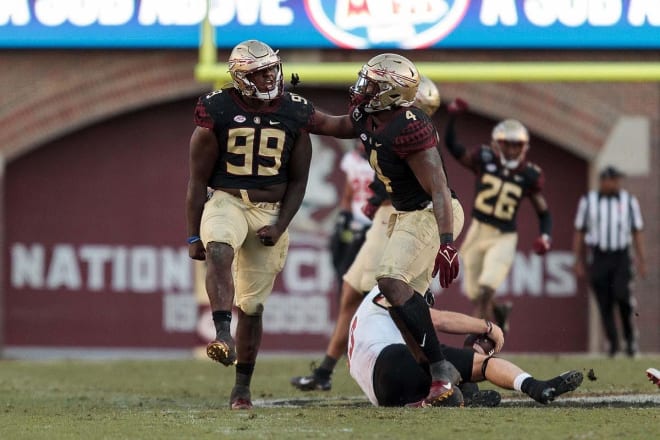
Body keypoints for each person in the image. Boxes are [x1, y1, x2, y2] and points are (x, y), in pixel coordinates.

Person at [305, 55, 465, 406]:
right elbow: (335, 125)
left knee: (390, 281)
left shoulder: (410, 126)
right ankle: (446, 381)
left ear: (392, 93)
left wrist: (447, 242)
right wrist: (293, 109)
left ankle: (440, 371)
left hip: (428, 212)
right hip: (405, 214)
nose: (364, 88)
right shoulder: (369, 116)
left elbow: (438, 188)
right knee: (398, 304)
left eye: (374, 84)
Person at [185, 40, 315, 410]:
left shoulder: (294, 111)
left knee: (254, 306)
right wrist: (194, 233)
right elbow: (197, 180)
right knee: (220, 247)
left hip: (271, 209)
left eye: (272, 69)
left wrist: (280, 224)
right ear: (242, 77)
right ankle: (223, 333)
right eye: (260, 73)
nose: (270, 77)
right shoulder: (217, 109)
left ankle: (242, 386)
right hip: (227, 199)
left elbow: (300, 180)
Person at [348, 287, 584, 407]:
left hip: (383, 393)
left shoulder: (376, 298)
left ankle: (463, 398)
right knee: (479, 365)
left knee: (447, 374)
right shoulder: (394, 284)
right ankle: (536, 386)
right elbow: (438, 320)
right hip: (389, 359)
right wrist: (488, 327)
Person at [444, 98, 552, 333]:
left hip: (504, 236)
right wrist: (452, 117)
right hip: (478, 230)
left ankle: (477, 341)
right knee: (475, 293)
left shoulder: (528, 175)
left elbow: (543, 211)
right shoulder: (485, 160)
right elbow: (454, 148)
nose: (512, 150)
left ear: (523, 147)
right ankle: (499, 311)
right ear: (497, 143)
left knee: (485, 289)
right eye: (507, 144)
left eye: (516, 145)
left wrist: (545, 236)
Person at [573, 166, 646, 357]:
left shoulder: (629, 201)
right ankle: (613, 343)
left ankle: (630, 339)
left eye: (617, 180)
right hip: (599, 255)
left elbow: (637, 231)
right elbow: (580, 231)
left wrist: (641, 259)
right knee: (604, 301)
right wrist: (577, 259)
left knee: (622, 295)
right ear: (603, 181)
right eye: (612, 180)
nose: (616, 184)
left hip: (621, 255)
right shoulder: (588, 202)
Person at [329, 141, 374, 288]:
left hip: (376, 223)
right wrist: (345, 215)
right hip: (355, 220)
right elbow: (348, 193)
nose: (361, 145)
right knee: (339, 252)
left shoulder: (382, 160)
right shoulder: (352, 159)